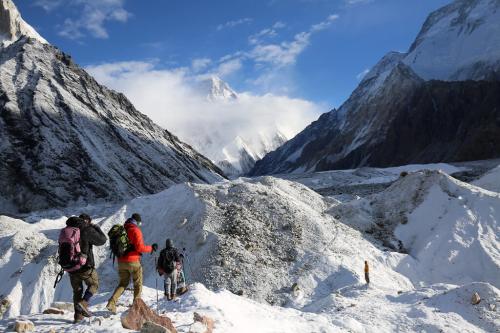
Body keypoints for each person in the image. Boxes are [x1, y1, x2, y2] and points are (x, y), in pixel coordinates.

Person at [106, 213, 157, 313]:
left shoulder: (122, 230)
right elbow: (140, 248)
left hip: (121, 262)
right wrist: (151, 248)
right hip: (133, 261)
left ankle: (111, 303)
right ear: (137, 222)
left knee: (123, 283)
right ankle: (136, 307)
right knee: (138, 284)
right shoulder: (135, 230)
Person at [66, 214, 107, 323]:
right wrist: (96, 227)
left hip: (70, 266)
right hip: (85, 266)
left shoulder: (68, 230)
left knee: (77, 291)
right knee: (94, 284)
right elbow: (102, 240)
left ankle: (78, 317)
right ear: (87, 221)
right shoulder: (86, 229)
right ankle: (83, 303)